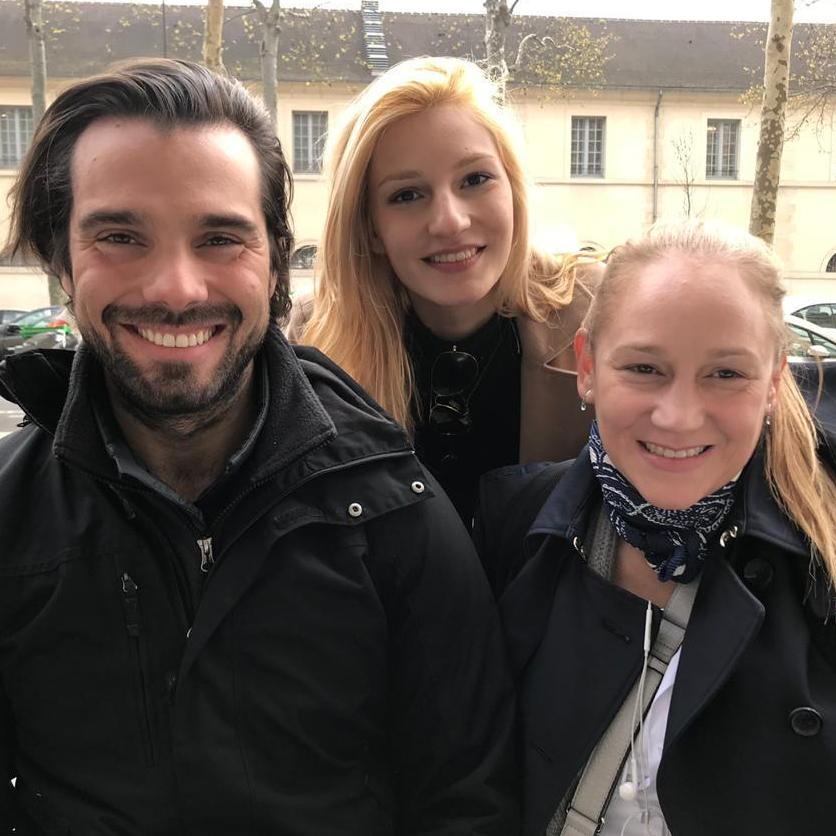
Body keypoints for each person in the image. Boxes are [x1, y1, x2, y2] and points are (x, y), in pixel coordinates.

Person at [0, 59, 517, 835]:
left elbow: (467, 804)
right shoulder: (10, 520)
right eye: (120, 235)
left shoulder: (394, 517)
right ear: (59, 256)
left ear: (275, 260)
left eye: (219, 238)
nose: (177, 289)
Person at [478, 220, 836, 836]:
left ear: (774, 383)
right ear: (588, 366)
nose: (678, 416)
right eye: (644, 367)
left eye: (725, 374)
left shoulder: (822, 557)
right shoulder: (515, 524)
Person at [290, 56, 602, 526]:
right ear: (370, 228)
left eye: (475, 179)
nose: (451, 222)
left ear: (512, 191)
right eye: (407, 195)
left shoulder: (601, 311)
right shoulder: (314, 340)